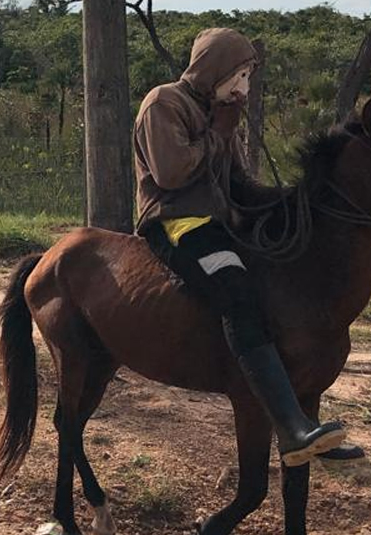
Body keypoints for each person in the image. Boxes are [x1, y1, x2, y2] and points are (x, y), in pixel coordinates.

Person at [134, 27, 346, 466]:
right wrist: (217, 132)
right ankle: (291, 426)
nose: (244, 87)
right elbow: (172, 174)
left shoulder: (215, 111)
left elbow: (235, 183)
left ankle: (297, 416)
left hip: (217, 221)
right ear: (216, 70)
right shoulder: (164, 102)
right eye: (241, 76)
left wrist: (291, 204)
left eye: (248, 77)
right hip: (176, 223)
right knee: (237, 291)